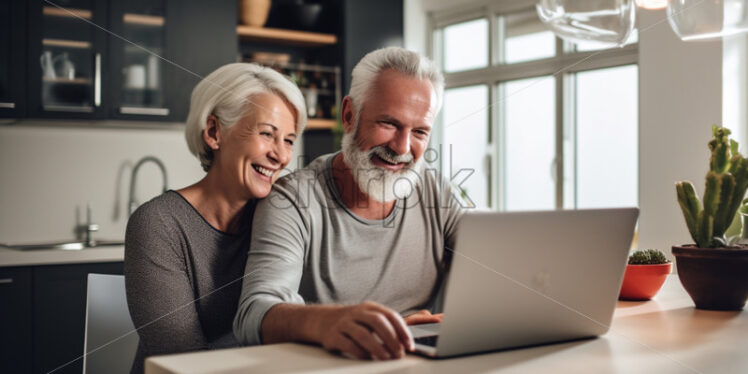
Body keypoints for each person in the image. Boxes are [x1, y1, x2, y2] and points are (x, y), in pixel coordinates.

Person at [233, 47, 465, 361]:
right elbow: (252, 315)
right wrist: (329, 321)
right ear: (349, 115)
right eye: (389, 124)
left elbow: (496, 269)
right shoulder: (293, 198)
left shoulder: (437, 191)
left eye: (420, 131)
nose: (402, 147)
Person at [124, 62, 306, 374]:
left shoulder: (282, 217)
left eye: (288, 140)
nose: (282, 155)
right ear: (214, 132)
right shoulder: (158, 223)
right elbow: (185, 361)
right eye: (267, 134)